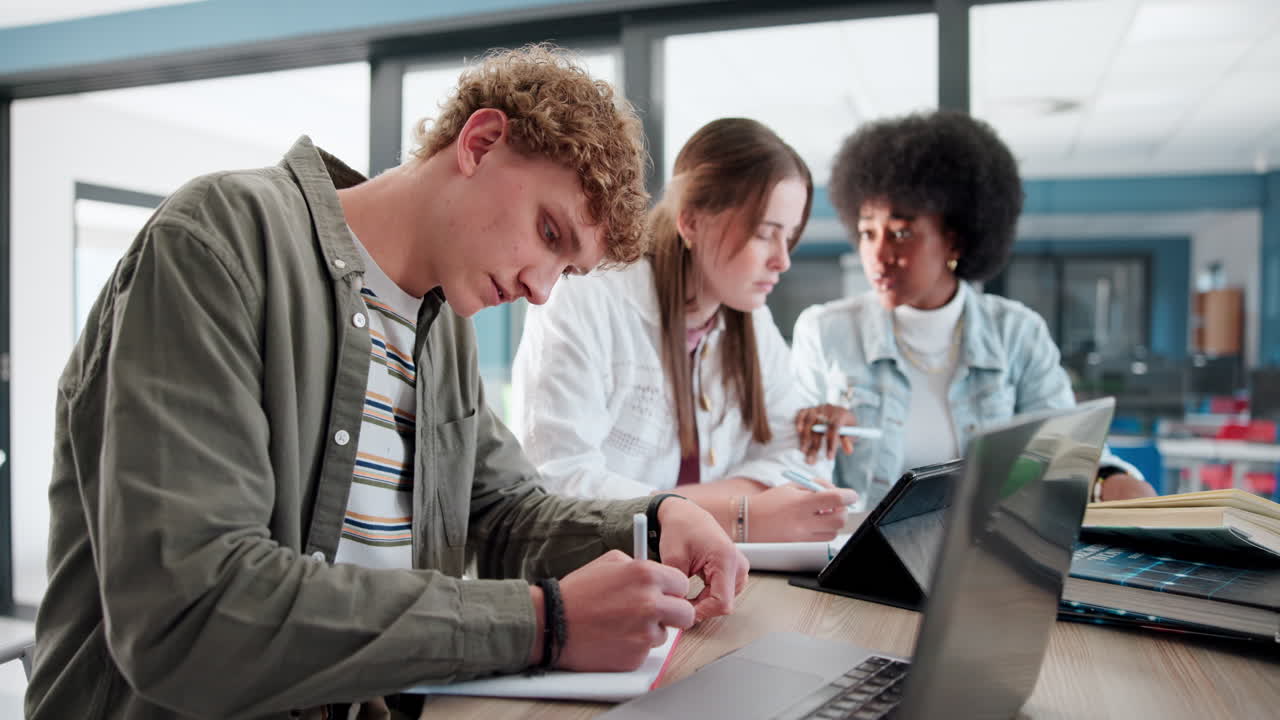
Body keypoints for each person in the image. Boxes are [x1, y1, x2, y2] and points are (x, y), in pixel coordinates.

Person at [27, 45, 748, 720]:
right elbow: (193, 609)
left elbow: (503, 516)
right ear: (480, 141)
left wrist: (656, 520)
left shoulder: (443, 335)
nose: (540, 290)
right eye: (550, 233)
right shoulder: (220, 240)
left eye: (567, 271)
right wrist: (541, 623)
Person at [511, 118, 856, 544]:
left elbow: (801, 468)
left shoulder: (750, 320)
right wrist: (742, 515)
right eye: (766, 235)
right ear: (691, 221)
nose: (782, 261)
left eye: (789, 238)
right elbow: (562, 486)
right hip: (595, 578)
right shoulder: (588, 296)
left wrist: (681, 510)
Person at [791, 110, 1155, 511]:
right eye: (867, 233)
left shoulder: (1017, 333)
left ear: (955, 241)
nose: (878, 255)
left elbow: (1065, 454)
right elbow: (790, 466)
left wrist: (1113, 481)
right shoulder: (825, 331)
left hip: (984, 552)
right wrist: (815, 436)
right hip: (860, 558)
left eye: (901, 233)